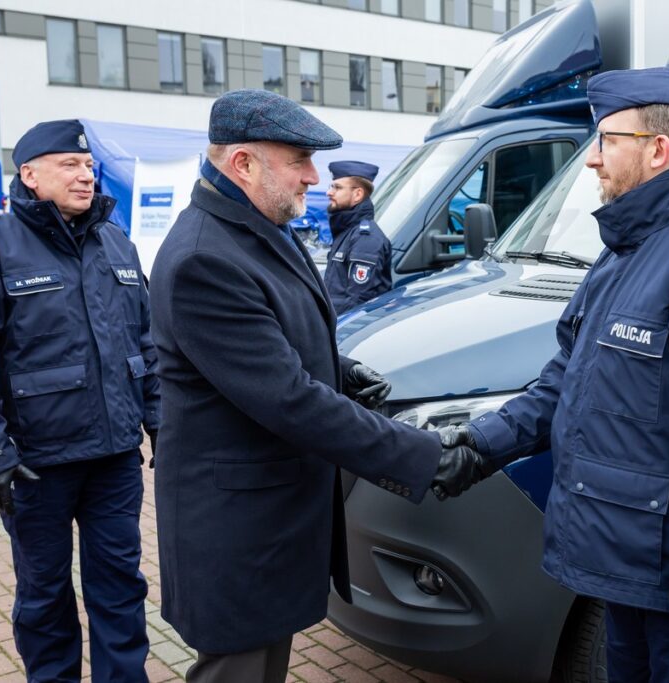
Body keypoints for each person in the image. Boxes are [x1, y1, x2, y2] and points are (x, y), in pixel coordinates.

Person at [440, 67, 669, 682]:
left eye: (606, 140)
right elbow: (566, 382)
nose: (592, 160)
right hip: (628, 572)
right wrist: (479, 445)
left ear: (658, 149)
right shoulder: (624, 254)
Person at [148, 89, 483, 683]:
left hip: (265, 525)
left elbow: (279, 336)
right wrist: (425, 457)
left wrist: (340, 369)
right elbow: (288, 400)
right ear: (243, 163)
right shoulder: (206, 257)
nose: (313, 176)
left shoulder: (252, 227)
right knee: (240, 670)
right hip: (237, 534)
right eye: (299, 158)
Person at [0, 119, 158, 682]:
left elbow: (146, 342)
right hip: (35, 464)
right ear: (30, 174)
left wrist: (161, 422)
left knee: (121, 586)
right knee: (44, 595)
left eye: (89, 166)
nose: (85, 175)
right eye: (69, 165)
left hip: (115, 458)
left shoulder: (115, 242)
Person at [322, 160, 392, 314]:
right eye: (331, 186)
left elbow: (358, 303)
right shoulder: (346, 231)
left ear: (357, 194)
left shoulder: (365, 238)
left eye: (337, 187)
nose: (329, 192)